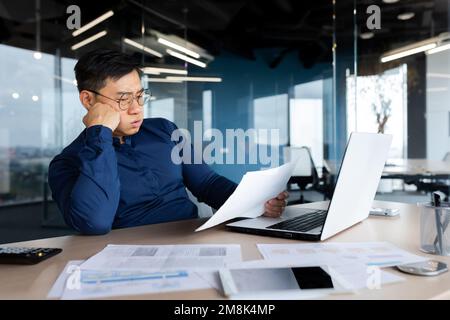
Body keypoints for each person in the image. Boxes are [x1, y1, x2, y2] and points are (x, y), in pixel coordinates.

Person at [48, 49, 288, 235]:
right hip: (130, 258)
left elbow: (207, 183)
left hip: (194, 239)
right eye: (123, 99)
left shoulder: (164, 130)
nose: (136, 109)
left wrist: (254, 203)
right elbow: (95, 223)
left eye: (140, 96)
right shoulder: (68, 163)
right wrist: (99, 132)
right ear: (89, 100)